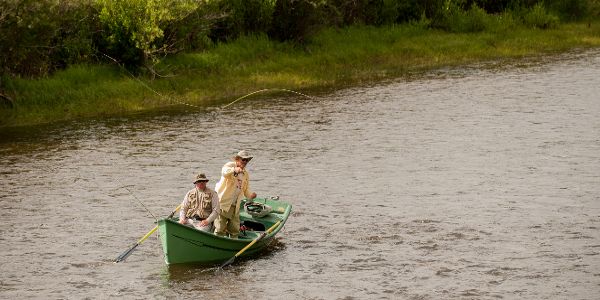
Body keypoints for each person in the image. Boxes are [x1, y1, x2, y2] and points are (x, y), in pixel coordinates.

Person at [214, 150, 257, 238]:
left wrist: (251, 195)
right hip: (223, 203)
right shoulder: (229, 165)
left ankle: (233, 243)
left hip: (235, 205)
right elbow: (224, 172)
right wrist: (234, 169)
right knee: (219, 229)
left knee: (234, 230)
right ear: (237, 159)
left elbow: (246, 190)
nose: (245, 162)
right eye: (243, 160)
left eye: (247, 160)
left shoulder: (245, 174)